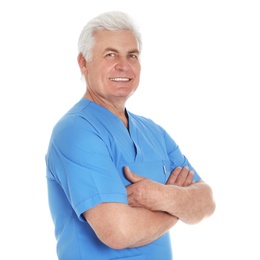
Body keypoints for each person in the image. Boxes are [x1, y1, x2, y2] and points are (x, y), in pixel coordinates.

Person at [45, 10, 216, 260]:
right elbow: (118, 232)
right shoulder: (75, 132)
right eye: (110, 54)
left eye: (132, 55)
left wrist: (159, 195)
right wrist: (178, 205)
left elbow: (206, 202)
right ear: (84, 62)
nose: (123, 65)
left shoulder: (153, 132)